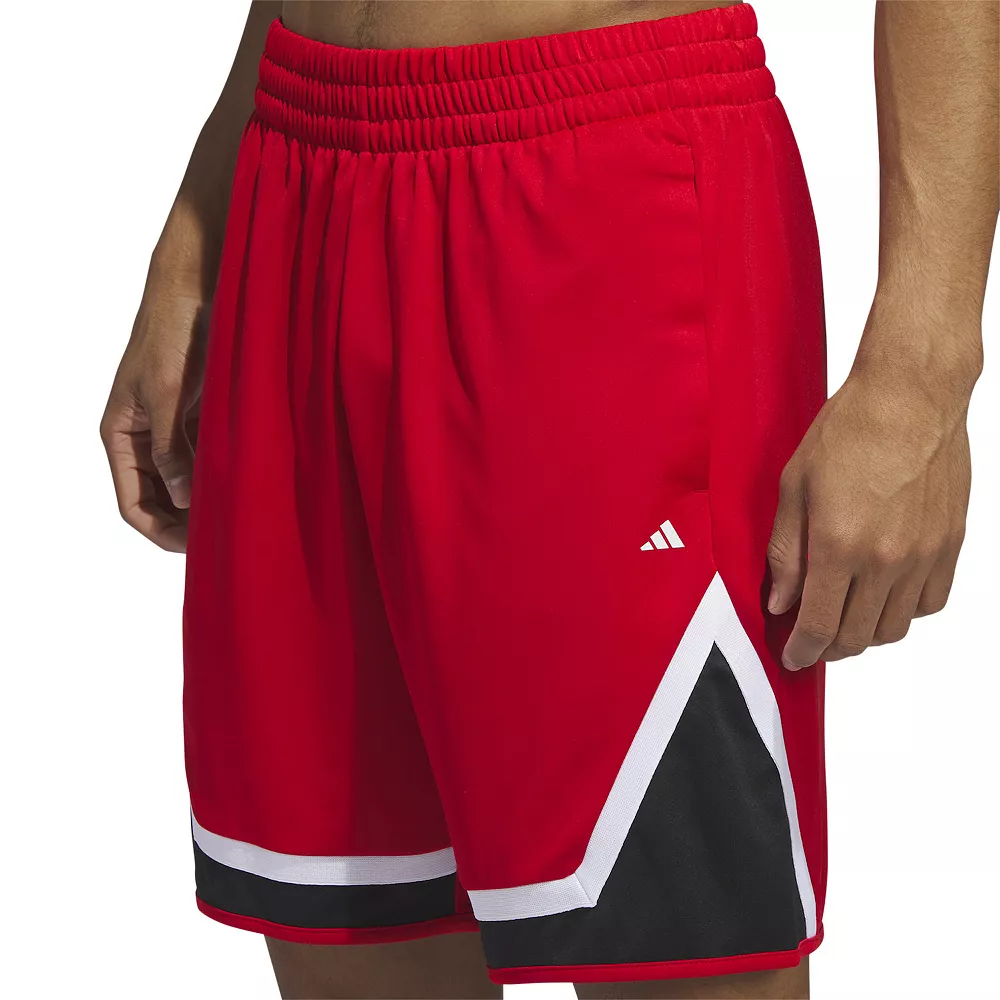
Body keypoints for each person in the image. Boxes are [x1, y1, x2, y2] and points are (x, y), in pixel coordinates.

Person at [100, 2, 998, 998]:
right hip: (297, 177)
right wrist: (203, 217)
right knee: (353, 938)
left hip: (601, 194)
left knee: (672, 946)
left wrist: (921, 375)